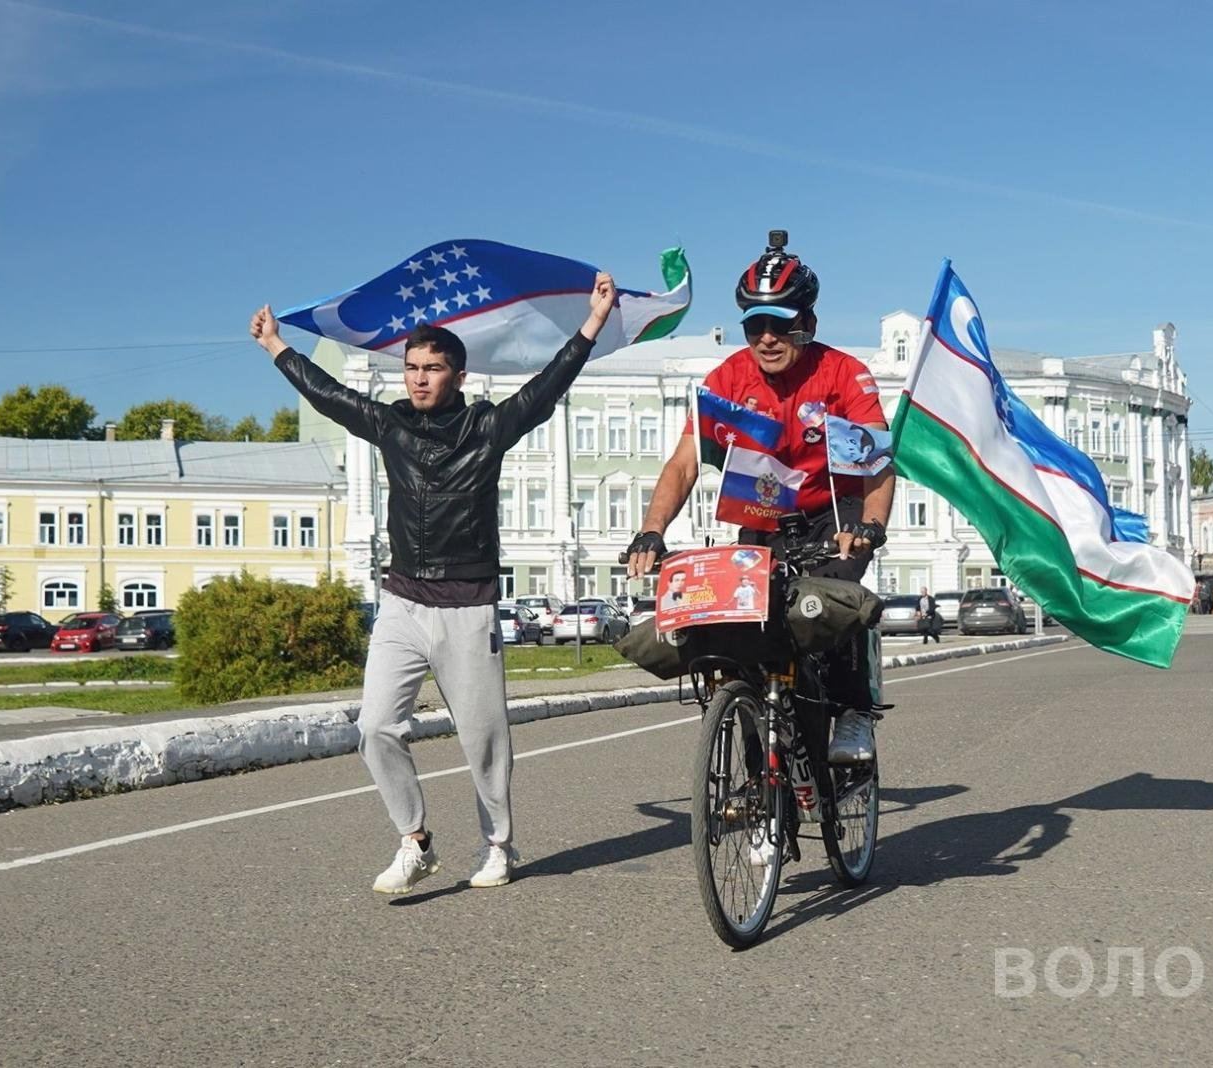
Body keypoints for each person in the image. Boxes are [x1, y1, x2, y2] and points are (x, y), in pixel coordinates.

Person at [250, 273, 618, 894]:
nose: (419, 377)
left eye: (433, 368)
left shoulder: (488, 429)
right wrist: (276, 348)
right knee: (374, 728)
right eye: (412, 367)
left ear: (459, 376)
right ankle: (414, 840)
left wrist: (593, 323)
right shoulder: (391, 426)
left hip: (468, 608)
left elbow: (547, 388)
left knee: (483, 740)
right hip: (401, 602)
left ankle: (499, 844)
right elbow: (330, 396)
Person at [626, 230, 894, 763]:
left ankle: (855, 713)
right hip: (760, 523)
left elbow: (877, 466)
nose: (767, 338)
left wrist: (869, 528)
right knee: (743, 641)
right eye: (755, 326)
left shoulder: (843, 374)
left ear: (808, 324)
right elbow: (684, 464)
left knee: (831, 608)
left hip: (830, 522)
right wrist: (651, 530)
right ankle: (756, 780)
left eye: (781, 324)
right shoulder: (729, 378)